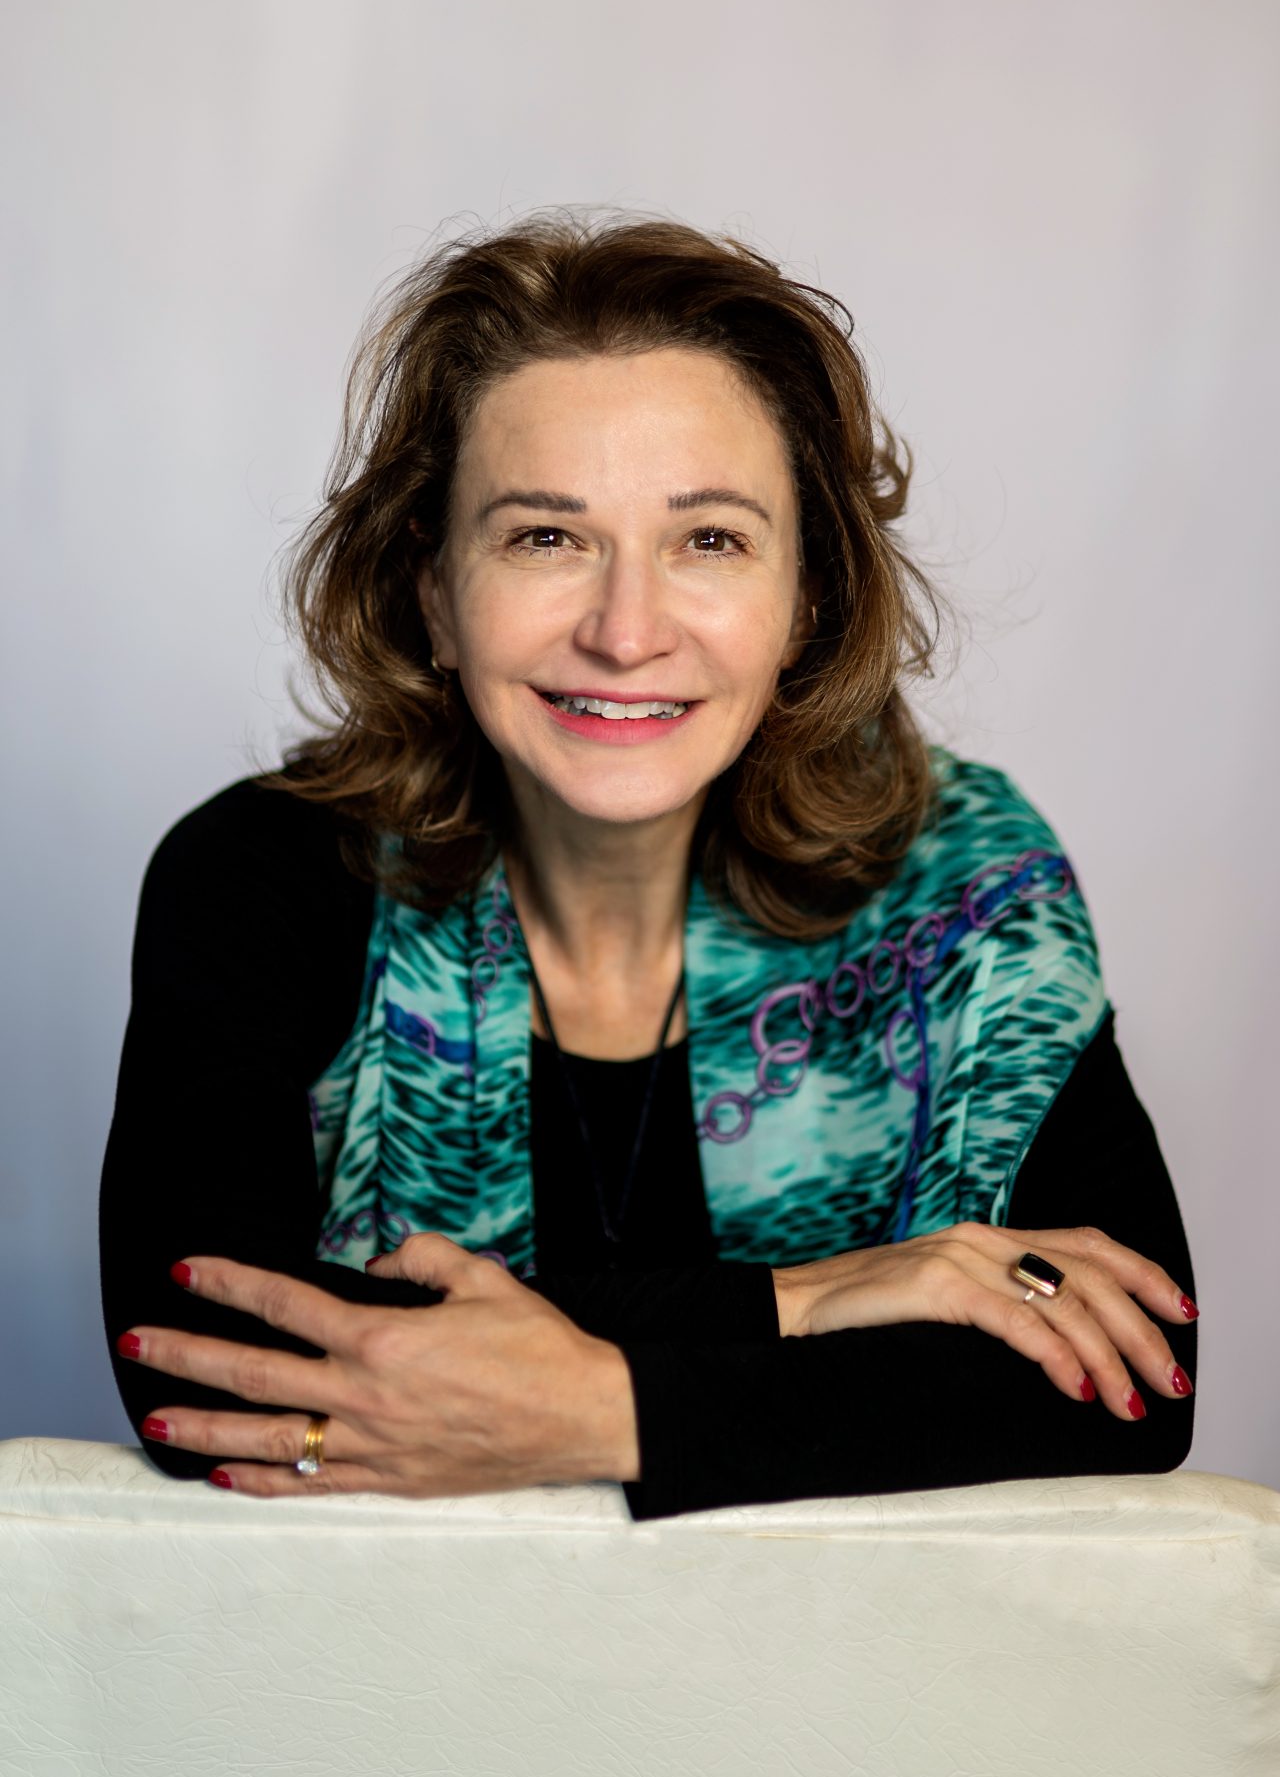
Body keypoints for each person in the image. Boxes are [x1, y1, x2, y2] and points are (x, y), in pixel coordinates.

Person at [100, 211, 1198, 1520]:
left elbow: (1131, 1379)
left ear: (806, 600)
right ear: (434, 593)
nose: (626, 633)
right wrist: (814, 1298)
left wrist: (603, 1410)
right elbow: (204, 1366)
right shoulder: (265, 872)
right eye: (545, 537)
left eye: (710, 540)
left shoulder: (965, 889)